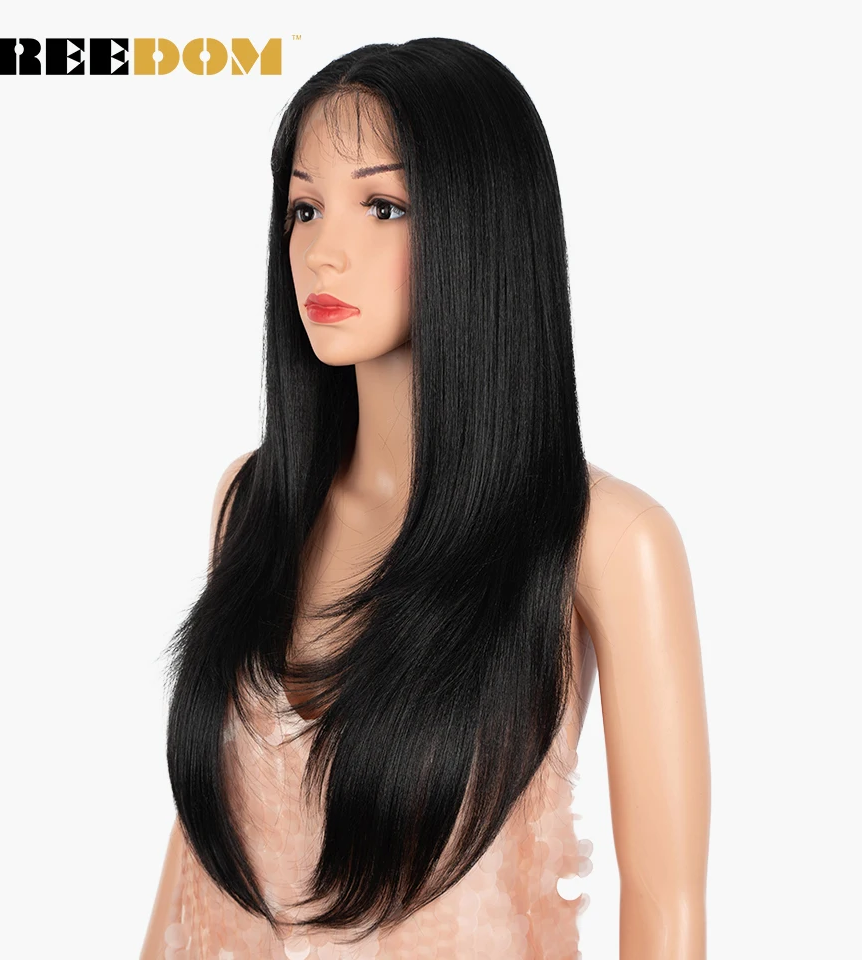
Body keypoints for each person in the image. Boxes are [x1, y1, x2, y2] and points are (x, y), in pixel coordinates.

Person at [140, 37, 710, 960]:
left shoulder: (607, 540)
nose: (323, 253)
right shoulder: (252, 504)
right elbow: (203, 845)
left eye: (383, 206)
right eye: (305, 208)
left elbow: (665, 905)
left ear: (482, 227)